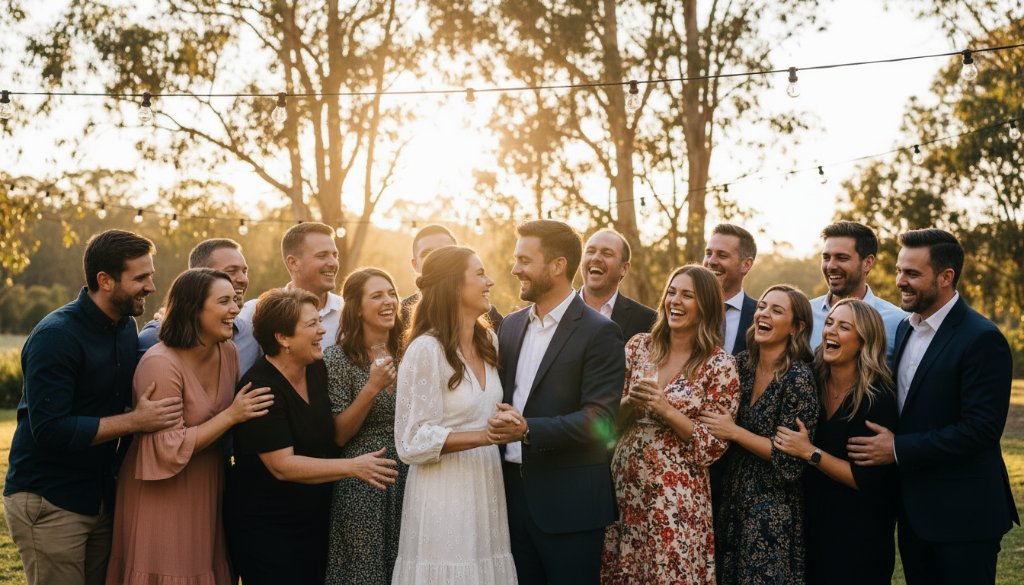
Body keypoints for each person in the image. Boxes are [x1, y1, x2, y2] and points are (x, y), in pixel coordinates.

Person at [3, 229, 184, 585]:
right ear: (105, 280)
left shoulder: (126, 327)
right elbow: (50, 429)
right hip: (50, 498)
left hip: (98, 496)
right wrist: (136, 421)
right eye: (140, 278)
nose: (151, 286)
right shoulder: (56, 337)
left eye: (150, 276)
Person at [847, 229, 1019, 585]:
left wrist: (896, 449)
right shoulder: (906, 329)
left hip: (965, 517)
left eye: (912, 273)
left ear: (946, 277)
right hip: (915, 515)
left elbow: (981, 430)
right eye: (899, 271)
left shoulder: (982, 338)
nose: (900, 281)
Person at [105, 268, 275, 585]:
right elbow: (168, 447)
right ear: (193, 309)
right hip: (162, 489)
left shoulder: (227, 351)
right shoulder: (160, 363)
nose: (235, 309)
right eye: (223, 301)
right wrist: (232, 415)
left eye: (234, 301)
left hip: (209, 479)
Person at [225, 288, 398, 585]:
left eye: (319, 321)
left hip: (314, 519)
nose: (322, 330)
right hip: (270, 529)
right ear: (283, 338)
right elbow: (283, 466)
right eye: (311, 324)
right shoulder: (261, 388)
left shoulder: (316, 369)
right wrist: (353, 467)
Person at [488, 219, 625, 584]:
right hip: (510, 501)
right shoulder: (510, 326)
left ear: (557, 266)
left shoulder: (600, 332)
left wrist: (528, 429)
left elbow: (600, 420)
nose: (515, 269)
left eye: (524, 260)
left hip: (570, 507)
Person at [600, 265, 740, 584]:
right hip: (626, 485)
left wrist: (666, 410)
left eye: (687, 295)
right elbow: (607, 420)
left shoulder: (720, 365)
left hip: (676, 495)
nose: (675, 301)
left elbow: (712, 447)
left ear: (705, 305)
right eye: (672, 292)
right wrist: (630, 402)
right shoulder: (639, 346)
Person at [392, 246, 517, 584]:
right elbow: (410, 441)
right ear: (454, 285)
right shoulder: (425, 350)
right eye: (480, 274)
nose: (489, 281)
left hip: (486, 485)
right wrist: (484, 436)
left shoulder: (489, 341)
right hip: (443, 489)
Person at [699, 284, 819, 585]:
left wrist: (734, 432)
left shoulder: (798, 378)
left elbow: (790, 459)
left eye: (776, 310)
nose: (763, 313)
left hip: (772, 508)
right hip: (732, 498)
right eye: (762, 306)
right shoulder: (742, 365)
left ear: (797, 327)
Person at [772, 299, 898, 585]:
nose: (830, 331)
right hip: (810, 525)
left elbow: (866, 479)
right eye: (829, 323)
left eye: (844, 327)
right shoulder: (810, 382)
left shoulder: (878, 398)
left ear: (864, 340)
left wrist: (810, 452)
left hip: (859, 534)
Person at [324, 268, 408, 585]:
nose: (389, 301)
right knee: (365, 572)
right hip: (364, 482)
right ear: (357, 308)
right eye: (377, 296)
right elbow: (339, 435)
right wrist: (372, 388)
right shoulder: (338, 359)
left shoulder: (410, 352)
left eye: (391, 293)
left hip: (411, 477)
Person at [138, 238, 260, 372]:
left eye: (244, 271)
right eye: (231, 271)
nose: (243, 279)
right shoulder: (155, 338)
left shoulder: (251, 332)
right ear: (199, 276)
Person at [239, 222, 343, 349]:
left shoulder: (348, 311)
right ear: (293, 263)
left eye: (335, 255)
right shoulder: (254, 312)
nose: (333, 263)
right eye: (322, 256)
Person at [809, 221, 906, 357]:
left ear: (867, 263)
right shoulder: (805, 313)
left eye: (842, 258)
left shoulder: (898, 322)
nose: (830, 266)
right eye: (826, 258)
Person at [400, 223, 503, 330]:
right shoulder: (399, 315)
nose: (437, 258)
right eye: (427, 253)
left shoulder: (486, 313)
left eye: (446, 251)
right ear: (415, 265)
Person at [579, 228, 656, 341]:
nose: (595, 258)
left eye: (607, 254)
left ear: (624, 268)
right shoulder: (559, 309)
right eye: (590, 251)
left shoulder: (649, 321)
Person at [703, 223, 758, 355]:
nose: (711, 261)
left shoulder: (760, 316)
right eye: (708, 253)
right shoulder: (682, 308)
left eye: (722, 255)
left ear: (746, 265)